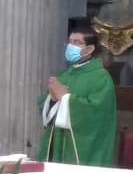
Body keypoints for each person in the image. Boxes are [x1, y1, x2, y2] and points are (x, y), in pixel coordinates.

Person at [38, 25, 117, 166]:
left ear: (90, 49)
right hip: (59, 142)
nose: (71, 46)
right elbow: (43, 102)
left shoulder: (101, 77)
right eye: (69, 42)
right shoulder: (63, 75)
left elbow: (97, 112)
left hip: (85, 148)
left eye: (76, 42)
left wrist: (65, 99)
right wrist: (52, 100)